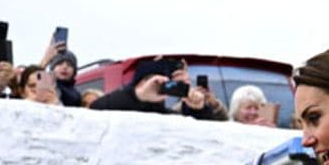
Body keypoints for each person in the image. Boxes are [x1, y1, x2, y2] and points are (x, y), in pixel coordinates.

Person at [90, 58, 228, 119]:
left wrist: (198, 109)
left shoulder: (169, 118)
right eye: (148, 81)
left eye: (161, 83)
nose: (154, 86)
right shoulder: (115, 109)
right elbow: (95, 109)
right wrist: (138, 95)